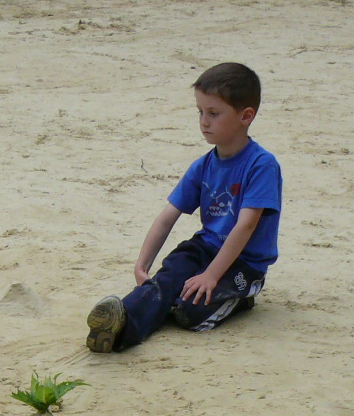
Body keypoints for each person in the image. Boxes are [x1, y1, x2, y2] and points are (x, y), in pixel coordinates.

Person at [85, 63, 281, 353]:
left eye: (213, 113)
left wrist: (211, 275)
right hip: (204, 247)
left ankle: (240, 299)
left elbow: (246, 225)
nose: (204, 122)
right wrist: (142, 264)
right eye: (200, 112)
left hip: (244, 263)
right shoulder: (203, 165)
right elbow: (168, 217)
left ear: (245, 116)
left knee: (191, 312)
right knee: (163, 283)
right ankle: (118, 328)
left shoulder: (261, 165)